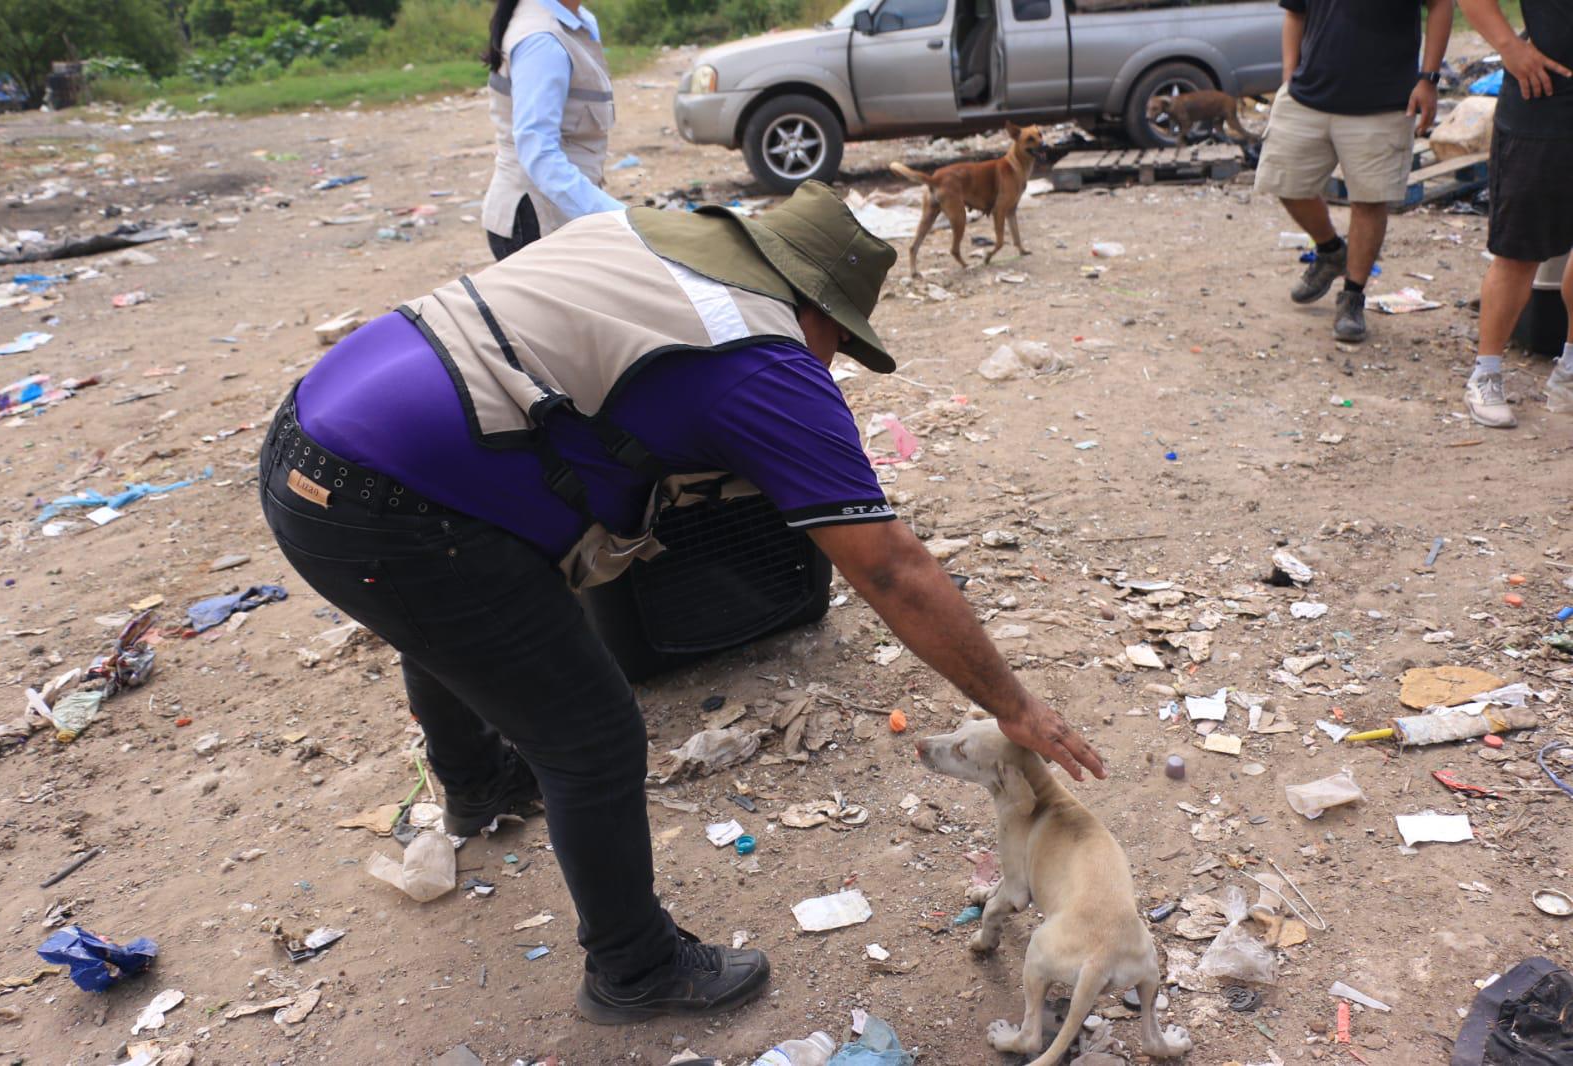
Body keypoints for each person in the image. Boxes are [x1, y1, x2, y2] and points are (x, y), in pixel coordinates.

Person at [258, 183, 1106, 1024]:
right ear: (820, 311)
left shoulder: (649, 232)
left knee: (457, 616)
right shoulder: (760, 360)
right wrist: (1012, 705)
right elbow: (888, 568)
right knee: (592, 732)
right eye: (839, 343)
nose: (831, 364)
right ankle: (633, 968)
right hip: (386, 507)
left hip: (314, 433)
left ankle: (480, 787)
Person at [1255, 0, 1453, 344]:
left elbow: (1441, 6)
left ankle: (1352, 297)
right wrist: (1289, 76)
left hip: (1385, 101)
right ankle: (1331, 251)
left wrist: (1429, 79)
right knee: (1285, 182)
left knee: (1369, 201)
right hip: (1308, 95)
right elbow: (1295, 13)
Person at [1456, 0, 1573, 428]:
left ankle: (1570, 374)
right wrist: (1508, 46)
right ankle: (1485, 373)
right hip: (1543, 99)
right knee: (1520, 249)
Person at [481, 0, 622, 261]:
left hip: (560, 211)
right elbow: (539, 153)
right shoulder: (542, 41)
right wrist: (618, 219)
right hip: (538, 221)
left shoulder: (576, 20)